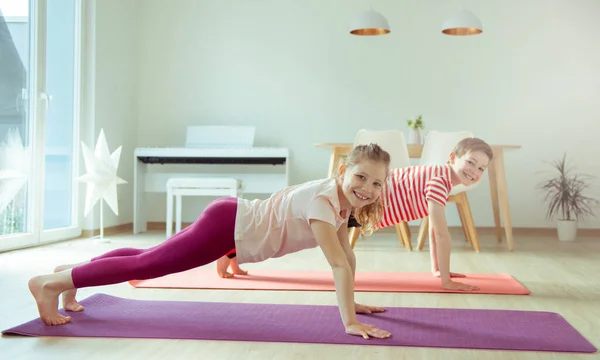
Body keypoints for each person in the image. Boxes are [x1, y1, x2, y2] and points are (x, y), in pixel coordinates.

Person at [28, 143, 393, 340]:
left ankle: (69, 274)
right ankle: (49, 284)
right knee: (148, 266)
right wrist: (348, 321)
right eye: (361, 177)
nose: (367, 189)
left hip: (230, 220)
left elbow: (347, 254)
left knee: (147, 254)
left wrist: (353, 301)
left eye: (377, 183)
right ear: (343, 171)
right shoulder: (323, 202)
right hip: (227, 227)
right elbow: (338, 264)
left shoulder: (341, 202)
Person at [349, 137, 494, 291]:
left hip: (362, 205)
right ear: (452, 158)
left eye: (481, 168)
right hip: (358, 204)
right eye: (470, 162)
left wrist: (437, 269)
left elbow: (433, 228)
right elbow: (441, 235)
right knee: (326, 239)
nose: (474, 170)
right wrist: (447, 282)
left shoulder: (439, 175)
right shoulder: (440, 181)